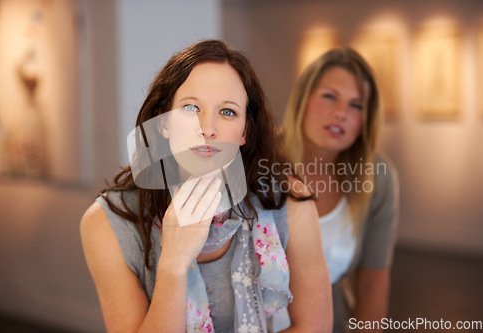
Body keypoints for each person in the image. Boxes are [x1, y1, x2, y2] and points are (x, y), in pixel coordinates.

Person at [80, 40, 332, 333]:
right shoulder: (106, 225)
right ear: (164, 122)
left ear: (245, 132)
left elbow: (315, 326)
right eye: (190, 107)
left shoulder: (288, 201)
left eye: (227, 112)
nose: (207, 128)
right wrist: (173, 265)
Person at [280, 48, 399, 333]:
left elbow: (373, 283)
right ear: (303, 99)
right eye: (329, 96)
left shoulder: (377, 178)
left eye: (356, 105)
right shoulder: (257, 162)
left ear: (365, 121)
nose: (340, 114)